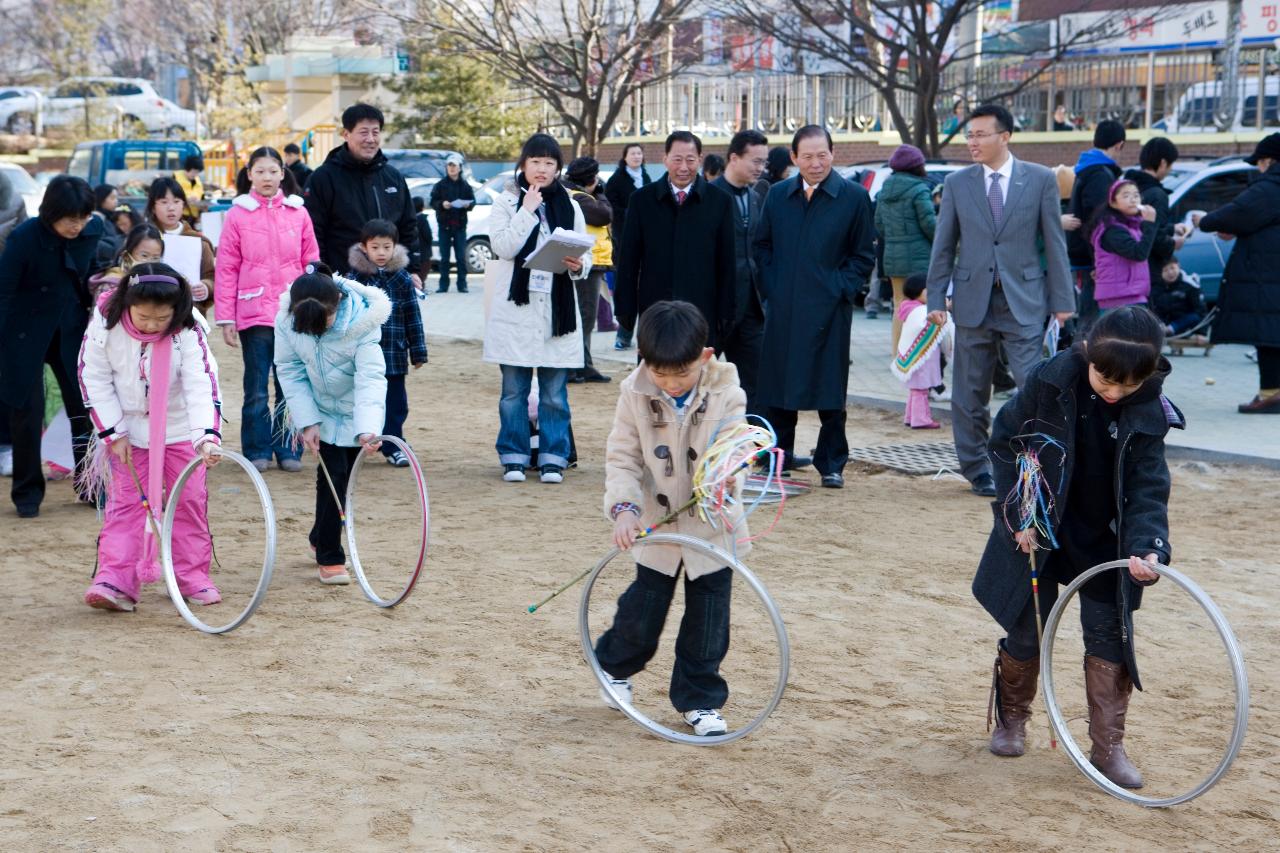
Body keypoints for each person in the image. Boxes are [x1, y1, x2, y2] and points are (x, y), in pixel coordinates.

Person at [977, 306, 1178, 790]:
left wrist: (1149, 548)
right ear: (1087, 352)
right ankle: (1012, 718)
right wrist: (1018, 512)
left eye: (1126, 386)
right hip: (1041, 529)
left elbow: (1149, 485)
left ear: (1147, 376)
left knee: (1109, 637)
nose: (1113, 392)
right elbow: (1006, 443)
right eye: (1104, 379)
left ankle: (1108, 747)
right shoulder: (1048, 383)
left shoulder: (1150, 410)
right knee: (1026, 629)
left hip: (1107, 539)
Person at [594, 300, 748, 738]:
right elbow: (622, 458)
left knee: (709, 620)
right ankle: (614, 667)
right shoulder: (635, 392)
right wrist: (624, 509)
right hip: (655, 525)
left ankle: (700, 700)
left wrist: (726, 480)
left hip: (713, 526)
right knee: (642, 612)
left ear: (704, 357)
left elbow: (739, 450)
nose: (672, 383)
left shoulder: (728, 392)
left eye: (682, 373)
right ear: (645, 361)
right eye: (661, 373)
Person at [925, 103, 1075, 497]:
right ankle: (978, 468)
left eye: (980, 134)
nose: (972, 142)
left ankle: (1032, 462)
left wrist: (1063, 303)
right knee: (970, 392)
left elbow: (1054, 244)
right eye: (969, 135)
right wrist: (936, 299)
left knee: (1034, 385)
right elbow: (944, 246)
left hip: (1023, 299)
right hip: (972, 301)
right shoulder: (958, 183)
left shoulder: (1040, 180)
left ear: (1004, 137)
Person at [77, 262, 223, 612]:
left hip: (179, 430)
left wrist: (205, 436)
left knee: (187, 500)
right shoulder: (105, 323)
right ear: (127, 303)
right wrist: (113, 432)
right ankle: (116, 579)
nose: (152, 325)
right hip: (127, 430)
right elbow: (93, 376)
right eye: (144, 317)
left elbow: (201, 383)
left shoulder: (188, 329)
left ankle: (191, 577)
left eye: (161, 319)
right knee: (126, 503)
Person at [753, 125, 876, 489]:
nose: (815, 162)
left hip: (829, 310)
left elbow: (863, 255)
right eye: (806, 156)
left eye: (822, 154)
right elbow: (762, 246)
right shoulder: (777, 195)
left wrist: (839, 287)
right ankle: (779, 456)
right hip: (785, 308)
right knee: (778, 386)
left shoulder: (853, 197)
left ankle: (832, 461)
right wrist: (774, 287)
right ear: (794, 158)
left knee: (830, 390)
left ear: (833, 154)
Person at [482, 133, 592, 484]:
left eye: (549, 163)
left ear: (558, 167)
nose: (542, 169)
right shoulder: (507, 200)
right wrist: (527, 212)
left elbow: (582, 250)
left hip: (555, 310)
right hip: (517, 307)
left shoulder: (569, 203)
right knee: (513, 391)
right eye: (536, 162)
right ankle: (513, 455)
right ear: (523, 165)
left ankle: (553, 457)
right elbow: (503, 247)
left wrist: (579, 265)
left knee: (554, 393)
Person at [274, 262, 389, 585]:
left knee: (346, 478)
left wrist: (368, 428)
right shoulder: (285, 321)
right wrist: (307, 421)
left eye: (325, 321)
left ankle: (318, 534)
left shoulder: (363, 323)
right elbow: (290, 370)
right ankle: (329, 554)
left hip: (356, 408)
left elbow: (370, 378)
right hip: (319, 408)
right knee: (332, 477)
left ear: (338, 302)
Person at [0, 175, 102, 517]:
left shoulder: (92, 230)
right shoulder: (24, 239)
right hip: (23, 332)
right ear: (50, 213)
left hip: (69, 329)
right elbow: (3, 293)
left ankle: (90, 484)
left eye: (83, 217)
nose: (77, 225)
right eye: (70, 219)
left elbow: (99, 266)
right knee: (27, 413)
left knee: (84, 408)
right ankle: (27, 494)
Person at [214, 146, 315, 473]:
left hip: (293, 313)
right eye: (260, 171)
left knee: (291, 385)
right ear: (250, 175)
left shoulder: (298, 213)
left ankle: (289, 448)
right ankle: (257, 448)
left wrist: (313, 307)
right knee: (256, 387)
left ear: (282, 173)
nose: (267, 177)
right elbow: (227, 267)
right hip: (254, 312)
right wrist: (226, 317)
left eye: (273, 171)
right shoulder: (237, 215)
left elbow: (310, 262)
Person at [614, 131, 736, 355]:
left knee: (699, 380)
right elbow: (628, 258)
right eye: (677, 159)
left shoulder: (720, 202)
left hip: (703, 307)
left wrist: (727, 312)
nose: (683, 167)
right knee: (654, 379)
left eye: (690, 160)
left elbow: (727, 263)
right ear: (665, 159)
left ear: (699, 159)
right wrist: (625, 309)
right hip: (655, 307)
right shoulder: (642, 200)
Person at [1194, 132, 1280, 413]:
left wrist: (1203, 220)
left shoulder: (1271, 186)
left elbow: (1237, 212)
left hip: (1269, 274)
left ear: (1269, 160)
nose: (1258, 168)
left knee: (1268, 334)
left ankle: (1271, 393)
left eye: (1260, 162)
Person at [304, 103, 422, 288]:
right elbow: (313, 232)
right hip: (343, 283)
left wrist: (413, 269)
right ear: (346, 134)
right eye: (363, 132)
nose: (370, 139)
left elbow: (409, 226)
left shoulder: (393, 177)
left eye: (375, 132)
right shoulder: (323, 178)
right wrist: (323, 275)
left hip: (390, 282)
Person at [344, 218, 427, 466]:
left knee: (396, 403)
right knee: (360, 400)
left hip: (394, 353)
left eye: (386, 247)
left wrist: (418, 352)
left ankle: (393, 444)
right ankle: (355, 442)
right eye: (375, 246)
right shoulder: (353, 280)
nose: (381, 252)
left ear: (394, 247)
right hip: (362, 356)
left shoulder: (402, 279)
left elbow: (413, 316)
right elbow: (346, 318)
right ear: (364, 247)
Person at [712, 129, 768, 417]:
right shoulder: (709, 196)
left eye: (764, 162)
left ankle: (760, 450)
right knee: (701, 380)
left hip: (752, 307)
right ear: (734, 158)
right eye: (755, 161)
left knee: (758, 381)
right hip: (715, 306)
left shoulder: (758, 196)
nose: (760, 168)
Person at [874, 144, 938, 351]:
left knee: (900, 305)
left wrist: (895, 239)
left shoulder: (884, 190)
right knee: (922, 305)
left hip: (892, 256)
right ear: (917, 166)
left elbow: (879, 224)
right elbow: (929, 223)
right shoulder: (919, 190)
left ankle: (898, 353)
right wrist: (942, 241)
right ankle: (920, 353)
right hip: (919, 257)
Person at [1068, 120, 1126, 333]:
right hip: (1091, 256)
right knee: (1091, 320)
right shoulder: (1100, 174)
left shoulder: (1088, 168)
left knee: (1091, 317)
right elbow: (1099, 220)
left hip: (1085, 252)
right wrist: (1099, 261)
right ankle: (1083, 362)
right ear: (1119, 145)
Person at [563, 156, 613, 383]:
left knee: (587, 315)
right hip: (585, 262)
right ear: (591, 179)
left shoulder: (573, 193)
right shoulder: (578, 197)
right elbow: (604, 215)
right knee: (585, 315)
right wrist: (600, 192)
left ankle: (584, 364)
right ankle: (576, 366)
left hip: (589, 261)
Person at [605, 143, 652, 350]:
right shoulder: (616, 180)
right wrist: (634, 215)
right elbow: (611, 209)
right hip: (625, 240)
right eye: (632, 153)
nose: (636, 156)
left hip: (649, 243)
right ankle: (624, 335)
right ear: (624, 157)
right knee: (628, 288)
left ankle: (647, 336)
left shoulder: (647, 178)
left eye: (639, 153)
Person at [147, 176, 215, 315]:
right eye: (164, 202)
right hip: (150, 313)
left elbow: (212, 276)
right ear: (153, 207)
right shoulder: (143, 240)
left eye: (176, 201)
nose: (171, 208)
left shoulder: (198, 241)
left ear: (183, 205)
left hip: (189, 315)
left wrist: (206, 287)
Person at [891, 274, 950, 430]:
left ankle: (910, 417)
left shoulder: (908, 307)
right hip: (921, 357)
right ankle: (921, 419)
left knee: (916, 389)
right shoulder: (919, 311)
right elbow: (926, 325)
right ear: (919, 291)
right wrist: (946, 308)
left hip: (916, 356)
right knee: (920, 390)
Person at [1089, 179, 1157, 311]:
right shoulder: (1112, 229)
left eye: (1136, 195)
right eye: (1126, 196)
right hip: (1118, 299)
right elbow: (1138, 254)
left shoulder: (1133, 226)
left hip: (1132, 294)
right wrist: (1150, 224)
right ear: (1113, 203)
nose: (1133, 200)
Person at [1124, 137, 1182, 285]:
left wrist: (1172, 228)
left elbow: (1140, 225)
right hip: (1148, 269)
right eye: (1171, 165)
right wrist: (1173, 243)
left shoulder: (1126, 188)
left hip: (1125, 264)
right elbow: (1156, 236)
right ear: (1163, 163)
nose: (1170, 170)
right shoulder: (1157, 195)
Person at [429, 153, 475, 293]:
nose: (452, 168)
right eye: (449, 165)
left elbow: (472, 201)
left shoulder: (465, 185)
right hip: (444, 226)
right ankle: (443, 286)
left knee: (461, 257)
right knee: (444, 258)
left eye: (454, 166)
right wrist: (442, 204)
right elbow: (432, 202)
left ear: (460, 168)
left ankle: (462, 285)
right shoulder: (440, 185)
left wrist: (468, 205)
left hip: (460, 226)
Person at [88, 222, 164, 300]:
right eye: (144, 255)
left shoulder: (161, 283)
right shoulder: (109, 287)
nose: (149, 262)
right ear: (127, 255)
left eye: (155, 258)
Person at [1150, 258, 1207, 339]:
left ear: (1178, 266)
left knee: (1194, 316)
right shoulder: (1156, 287)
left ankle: (1170, 330)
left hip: (1182, 323)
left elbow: (1201, 310)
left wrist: (1202, 333)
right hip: (1163, 323)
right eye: (1165, 270)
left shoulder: (1190, 284)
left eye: (1172, 268)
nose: (1170, 273)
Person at [91, 184, 123, 268]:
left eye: (117, 198)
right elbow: (96, 244)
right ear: (101, 199)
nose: (116, 201)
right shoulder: (96, 219)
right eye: (112, 198)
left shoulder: (108, 218)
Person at [172, 154, 205, 226]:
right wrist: (185, 200)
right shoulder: (176, 177)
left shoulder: (198, 180)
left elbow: (202, 197)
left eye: (197, 172)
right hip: (179, 217)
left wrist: (201, 205)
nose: (195, 174)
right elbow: (170, 197)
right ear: (187, 168)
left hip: (193, 218)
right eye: (193, 171)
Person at [413, 196, 433, 283]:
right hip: (424, 253)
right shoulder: (423, 220)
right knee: (422, 277)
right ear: (422, 207)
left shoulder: (411, 220)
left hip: (415, 253)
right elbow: (428, 236)